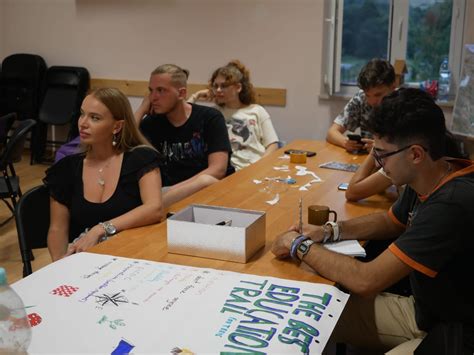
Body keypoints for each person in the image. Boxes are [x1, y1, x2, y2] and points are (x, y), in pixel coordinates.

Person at [272, 88, 474, 353]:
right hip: (426, 312)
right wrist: (329, 230)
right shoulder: (428, 174)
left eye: (381, 154)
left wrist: (300, 244)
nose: (378, 163)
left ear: (415, 154)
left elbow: (366, 280)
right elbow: (390, 222)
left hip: (458, 335)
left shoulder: (451, 203)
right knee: (305, 312)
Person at [44, 88, 164, 261]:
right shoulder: (66, 169)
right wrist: (59, 263)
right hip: (88, 259)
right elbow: (57, 229)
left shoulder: (141, 159)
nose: (83, 123)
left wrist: (100, 229)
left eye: (95, 118)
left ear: (117, 126)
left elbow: (155, 209)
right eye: (82, 114)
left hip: (136, 254)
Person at [135, 64, 234, 207]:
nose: (153, 97)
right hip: (170, 198)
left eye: (161, 90)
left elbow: (218, 170)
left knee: (205, 181)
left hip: (209, 193)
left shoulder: (209, 117)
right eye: (151, 91)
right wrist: (141, 110)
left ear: (181, 93)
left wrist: (171, 191)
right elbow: (119, 145)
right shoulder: (151, 123)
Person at [188, 60, 279, 170]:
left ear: (238, 87)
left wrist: (260, 167)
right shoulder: (213, 114)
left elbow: (272, 145)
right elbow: (187, 120)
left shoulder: (257, 110)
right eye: (215, 86)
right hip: (226, 171)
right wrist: (195, 96)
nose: (218, 90)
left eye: (224, 86)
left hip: (255, 168)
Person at [326, 58, 396, 153]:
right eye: (368, 95)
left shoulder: (403, 104)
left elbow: (410, 149)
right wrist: (345, 142)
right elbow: (331, 133)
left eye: (378, 95)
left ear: (393, 87)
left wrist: (381, 149)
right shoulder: (361, 98)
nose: (372, 101)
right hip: (367, 160)